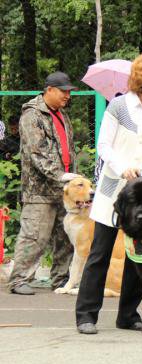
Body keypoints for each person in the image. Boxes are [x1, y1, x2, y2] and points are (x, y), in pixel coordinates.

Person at [75, 52, 142, 334]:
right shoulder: (119, 106)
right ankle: (86, 315)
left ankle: (128, 315)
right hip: (114, 191)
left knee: (137, 256)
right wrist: (122, 167)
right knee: (100, 253)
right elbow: (104, 146)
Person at [8, 72, 79, 295]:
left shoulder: (61, 115)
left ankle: (61, 278)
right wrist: (60, 175)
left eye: (69, 92)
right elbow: (36, 153)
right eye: (63, 91)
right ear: (49, 90)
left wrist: (71, 177)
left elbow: (68, 150)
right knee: (34, 235)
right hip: (40, 190)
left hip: (64, 189)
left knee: (65, 236)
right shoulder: (32, 115)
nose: (67, 95)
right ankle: (19, 280)